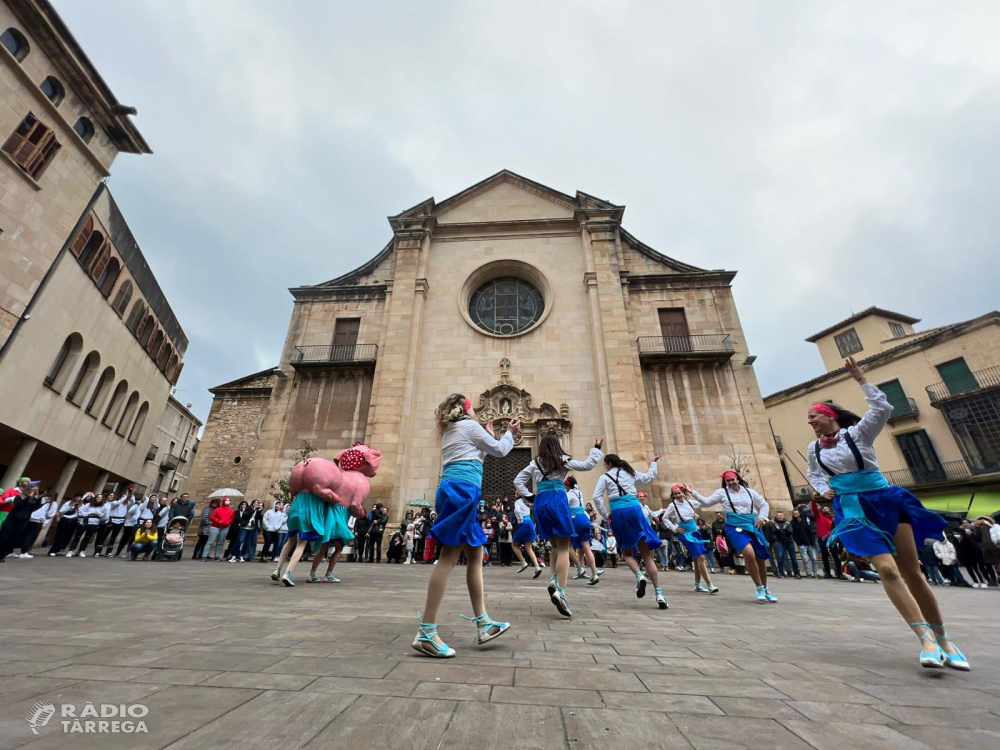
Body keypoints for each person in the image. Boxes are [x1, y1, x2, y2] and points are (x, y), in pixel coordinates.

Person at [806, 356, 967, 671]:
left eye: (813, 416)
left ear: (829, 416)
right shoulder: (815, 449)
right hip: (851, 508)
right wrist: (823, 490)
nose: (810, 421)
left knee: (913, 573)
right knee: (888, 570)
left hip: (884, 500)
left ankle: (945, 639)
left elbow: (882, 410)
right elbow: (813, 473)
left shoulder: (859, 434)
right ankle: (926, 640)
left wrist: (862, 380)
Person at [412, 393, 520, 658]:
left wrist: (489, 435)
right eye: (473, 409)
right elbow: (501, 451)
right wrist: (509, 433)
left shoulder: (453, 429)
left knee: (475, 553)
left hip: (458, 489)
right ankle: (426, 631)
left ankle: (483, 623)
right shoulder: (467, 426)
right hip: (462, 491)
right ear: (466, 409)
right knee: (448, 557)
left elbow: (475, 455)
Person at [515, 434, 605, 617]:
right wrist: (596, 448)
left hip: (541, 503)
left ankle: (554, 579)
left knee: (555, 545)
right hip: (557, 499)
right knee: (565, 547)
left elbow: (517, 480)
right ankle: (561, 591)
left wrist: (529, 496)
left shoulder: (535, 463)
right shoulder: (563, 460)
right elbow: (587, 465)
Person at [592, 452, 668, 609]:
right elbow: (648, 477)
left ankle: (639, 575)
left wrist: (606, 515)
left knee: (627, 553)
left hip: (618, 512)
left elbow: (596, 497)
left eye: (605, 464)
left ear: (608, 464)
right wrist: (653, 462)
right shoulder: (630, 472)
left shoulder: (604, 478)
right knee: (646, 554)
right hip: (634, 509)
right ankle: (659, 593)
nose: (605, 467)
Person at [689, 471, 775, 602]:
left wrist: (762, 518)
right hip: (734, 527)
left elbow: (764, 504)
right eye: (728, 481)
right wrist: (693, 492)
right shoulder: (722, 493)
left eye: (732, 480)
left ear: (738, 479)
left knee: (760, 558)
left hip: (752, 525)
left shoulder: (750, 492)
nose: (731, 482)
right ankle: (759, 587)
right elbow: (706, 502)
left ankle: (765, 587)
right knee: (749, 553)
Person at [660, 484, 718, 594]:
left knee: (697, 559)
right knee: (701, 557)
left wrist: (693, 493)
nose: (677, 495)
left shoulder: (690, 502)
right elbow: (665, 518)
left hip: (695, 532)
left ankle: (697, 585)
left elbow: (705, 503)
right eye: (675, 494)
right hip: (685, 533)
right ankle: (710, 584)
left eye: (679, 493)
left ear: (683, 493)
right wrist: (675, 528)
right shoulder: (673, 506)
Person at [565, 476, 601, 585]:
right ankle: (594, 573)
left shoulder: (569, 494)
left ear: (567, 485)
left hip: (575, 518)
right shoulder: (579, 492)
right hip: (585, 518)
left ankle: (580, 567)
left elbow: (564, 506)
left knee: (567, 545)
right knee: (587, 547)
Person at [0, 479, 42, 561]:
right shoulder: (19, 496)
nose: (35, 488)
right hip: (12, 519)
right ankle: (1, 555)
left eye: (36, 487)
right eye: (33, 487)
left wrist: (37, 499)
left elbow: (36, 507)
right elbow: (19, 505)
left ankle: (5, 552)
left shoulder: (35, 498)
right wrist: (28, 497)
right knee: (4, 536)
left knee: (14, 538)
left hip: (23, 520)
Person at [511, 494, 543, 577]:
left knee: (514, 544)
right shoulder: (528, 501)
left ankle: (523, 562)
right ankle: (537, 566)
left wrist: (520, 519)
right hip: (530, 522)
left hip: (523, 522)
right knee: (528, 547)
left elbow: (517, 510)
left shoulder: (518, 501)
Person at [791, 508, 819, 579]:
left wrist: (812, 542)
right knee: (805, 559)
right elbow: (794, 534)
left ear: (799, 514)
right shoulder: (792, 523)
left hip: (809, 543)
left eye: (796, 513)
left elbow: (810, 532)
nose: (795, 515)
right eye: (794, 514)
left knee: (814, 559)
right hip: (802, 544)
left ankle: (815, 572)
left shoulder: (804, 521)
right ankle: (808, 573)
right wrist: (798, 542)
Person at [772, 512, 800, 579]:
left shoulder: (788, 523)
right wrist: (778, 530)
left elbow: (791, 532)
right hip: (780, 542)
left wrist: (784, 529)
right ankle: (781, 572)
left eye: (781, 515)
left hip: (789, 542)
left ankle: (796, 573)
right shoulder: (775, 524)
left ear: (783, 516)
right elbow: (774, 532)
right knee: (780, 557)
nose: (779, 516)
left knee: (793, 558)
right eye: (778, 515)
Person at [974, 517, 999, 586]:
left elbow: (996, 532)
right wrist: (976, 527)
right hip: (987, 547)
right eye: (980, 520)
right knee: (994, 564)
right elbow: (977, 536)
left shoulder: (994, 526)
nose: (982, 521)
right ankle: (995, 580)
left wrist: (988, 524)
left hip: (996, 546)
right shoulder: (981, 527)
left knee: (998, 564)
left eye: (983, 520)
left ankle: (996, 579)